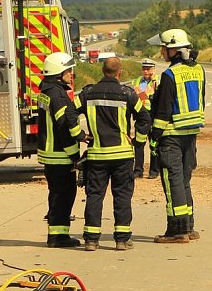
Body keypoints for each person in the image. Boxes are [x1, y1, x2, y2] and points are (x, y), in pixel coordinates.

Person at [76, 57, 151, 251]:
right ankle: (122, 239)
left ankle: (91, 240)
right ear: (119, 73)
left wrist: (79, 135)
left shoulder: (87, 94)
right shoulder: (128, 94)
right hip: (122, 156)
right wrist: (138, 142)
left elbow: (68, 113)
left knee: (94, 196)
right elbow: (144, 118)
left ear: (102, 71)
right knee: (122, 196)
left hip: (97, 155)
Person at [146, 28, 206, 243]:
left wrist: (154, 136)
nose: (162, 52)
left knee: (173, 183)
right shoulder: (199, 70)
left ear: (173, 50)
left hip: (171, 135)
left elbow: (163, 111)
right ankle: (188, 226)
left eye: (164, 48)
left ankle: (177, 231)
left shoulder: (170, 75)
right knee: (184, 180)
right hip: (191, 135)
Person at [37, 52, 85, 248]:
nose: (71, 74)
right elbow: (64, 128)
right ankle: (58, 237)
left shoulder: (46, 92)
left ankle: (57, 234)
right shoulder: (57, 95)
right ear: (58, 73)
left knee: (57, 194)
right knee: (64, 194)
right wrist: (75, 155)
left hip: (50, 154)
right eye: (68, 71)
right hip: (59, 155)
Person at [130, 58, 161, 179]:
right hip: (141, 117)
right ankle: (138, 170)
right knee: (139, 144)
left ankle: (154, 170)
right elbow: (139, 96)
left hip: (154, 116)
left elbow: (158, 96)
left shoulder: (158, 81)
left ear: (154, 69)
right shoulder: (138, 81)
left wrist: (153, 82)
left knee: (154, 145)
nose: (146, 71)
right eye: (144, 69)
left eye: (148, 69)